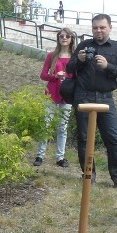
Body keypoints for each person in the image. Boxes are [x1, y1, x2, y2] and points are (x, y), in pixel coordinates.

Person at [66, 14, 117, 189]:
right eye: (95, 27)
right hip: (83, 95)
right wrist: (79, 61)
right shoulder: (83, 45)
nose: (98, 31)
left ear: (110, 27)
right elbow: (69, 68)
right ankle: (89, 175)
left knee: (113, 139)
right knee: (84, 138)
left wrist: (108, 66)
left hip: (106, 98)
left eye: (102, 27)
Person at [33, 28, 76, 168]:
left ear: (71, 39)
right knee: (46, 124)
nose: (64, 38)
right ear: (58, 38)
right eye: (61, 36)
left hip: (68, 94)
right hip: (52, 92)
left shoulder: (75, 57)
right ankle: (40, 155)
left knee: (62, 127)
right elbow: (43, 75)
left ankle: (60, 157)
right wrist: (55, 76)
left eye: (67, 36)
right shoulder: (52, 55)